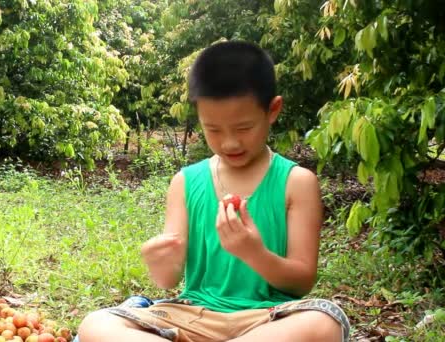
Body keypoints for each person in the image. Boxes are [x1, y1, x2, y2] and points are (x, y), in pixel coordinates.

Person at [77, 41, 350, 342]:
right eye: (214, 130)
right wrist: (161, 264)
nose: (230, 143)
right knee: (96, 324)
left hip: (266, 320)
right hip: (192, 316)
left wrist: (254, 253)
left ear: (272, 110)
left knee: (324, 322)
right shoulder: (186, 182)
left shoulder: (297, 182)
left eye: (244, 128)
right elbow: (169, 279)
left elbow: (301, 283)